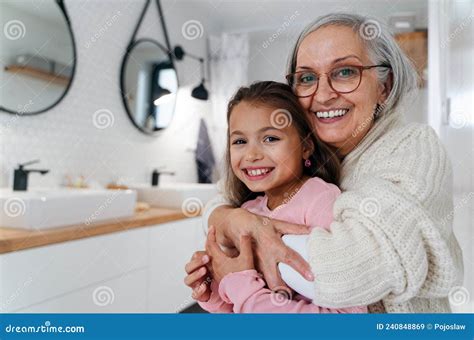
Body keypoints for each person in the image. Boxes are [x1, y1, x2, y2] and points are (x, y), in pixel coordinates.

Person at [186, 13, 463, 313]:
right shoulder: (307, 151)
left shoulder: (412, 147)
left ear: (384, 85)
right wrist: (233, 226)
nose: (324, 94)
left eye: (345, 72)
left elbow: (350, 268)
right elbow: (221, 201)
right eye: (306, 78)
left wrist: (239, 260)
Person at [186, 81, 366, 313]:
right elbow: (243, 308)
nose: (251, 155)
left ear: (306, 147)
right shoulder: (248, 212)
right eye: (240, 141)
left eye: (270, 138)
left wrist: (240, 286)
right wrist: (216, 291)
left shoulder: (320, 201)